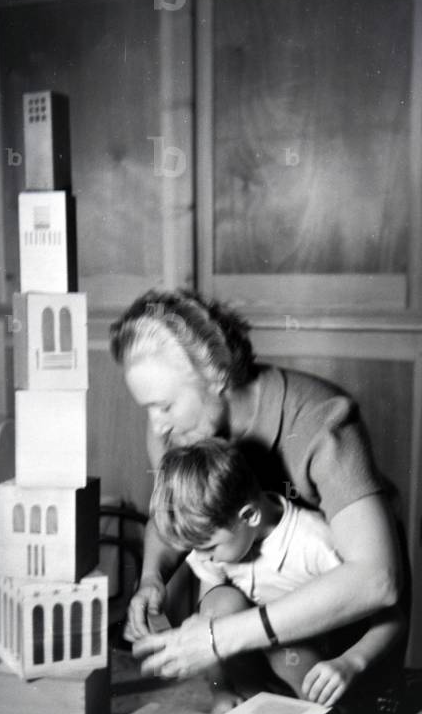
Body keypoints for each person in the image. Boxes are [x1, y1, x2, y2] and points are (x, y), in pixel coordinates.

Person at [109, 288, 404, 682]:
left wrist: (223, 637)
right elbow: (173, 521)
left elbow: (376, 580)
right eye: (148, 409)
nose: (158, 425)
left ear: (215, 375)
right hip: (240, 623)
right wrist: (151, 579)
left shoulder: (321, 420)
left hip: (339, 632)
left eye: (165, 406)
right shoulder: (173, 431)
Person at [149, 438, 406, 711]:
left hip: (317, 675)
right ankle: (247, 702)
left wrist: (351, 662)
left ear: (249, 516)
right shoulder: (217, 548)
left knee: (286, 651)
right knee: (218, 604)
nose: (202, 558)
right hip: (255, 675)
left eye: (209, 547)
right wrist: (219, 691)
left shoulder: (314, 542)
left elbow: (393, 618)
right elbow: (208, 626)